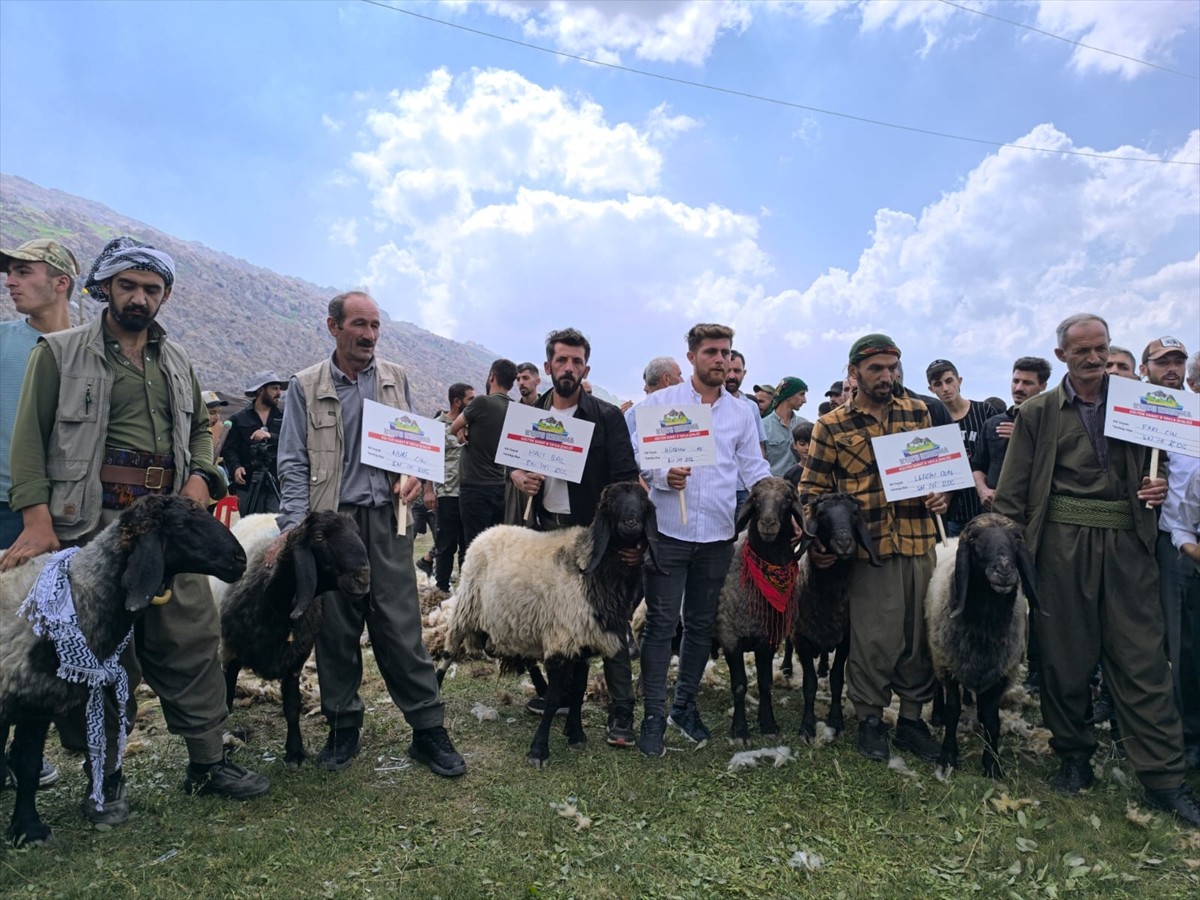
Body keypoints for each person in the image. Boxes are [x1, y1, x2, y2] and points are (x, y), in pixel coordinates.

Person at [3, 236, 269, 826]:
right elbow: (28, 442)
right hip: (91, 524)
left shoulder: (178, 363)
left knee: (192, 636)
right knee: (99, 654)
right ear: (105, 289)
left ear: (165, 295)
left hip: (171, 524)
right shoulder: (60, 352)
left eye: (152, 289)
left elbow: (202, 433)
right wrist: (37, 520)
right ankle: (106, 779)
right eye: (128, 286)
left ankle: (207, 761)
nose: (139, 298)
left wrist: (202, 480)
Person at [993, 313, 1198, 826]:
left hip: (1128, 545)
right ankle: (1074, 757)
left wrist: (1158, 485)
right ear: (1061, 355)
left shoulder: (1137, 404)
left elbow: (1164, 462)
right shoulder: (1038, 412)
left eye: (1101, 349)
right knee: (1066, 657)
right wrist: (1010, 555)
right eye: (1081, 350)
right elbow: (1014, 490)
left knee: (1143, 658)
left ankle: (1164, 779)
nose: (1093, 358)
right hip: (1061, 547)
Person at [276, 290, 465, 777]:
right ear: (333, 326)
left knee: (400, 625)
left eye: (375, 325)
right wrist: (295, 530)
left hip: (387, 520)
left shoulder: (394, 378)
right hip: (331, 525)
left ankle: (428, 730)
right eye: (358, 324)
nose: (368, 335)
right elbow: (293, 460)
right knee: (335, 628)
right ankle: (342, 728)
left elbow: (413, 445)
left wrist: (415, 475)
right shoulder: (305, 385)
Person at [800, 333, 948, 765]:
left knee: (918, 636)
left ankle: (911, 720)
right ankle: (869, 718)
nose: (886, 376)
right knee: (873, 638)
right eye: (876, 369)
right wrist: (819, 544)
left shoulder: (918, 411)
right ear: (854, 373)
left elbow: (937, 473)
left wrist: (941, 495)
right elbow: (811, 492)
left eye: (892, 368)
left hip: (919, 540)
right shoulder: (832, 425)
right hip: (868, 550)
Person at [629, 323, 771, 757]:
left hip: (717, 535)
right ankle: (653, 715)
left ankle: (684, 706)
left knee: (701, 625)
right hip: (670, 530)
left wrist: (779, 500)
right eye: (711, 351)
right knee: (659, 624)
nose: (721, 360)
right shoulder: (659, 404)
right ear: (691, 357)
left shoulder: (742, 413)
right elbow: (635, 452)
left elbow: (754, 469)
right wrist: (660, 475)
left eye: (726, 352)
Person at [507, 328, 643, 747]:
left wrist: (618, 535)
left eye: (576, 361)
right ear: (548, 366)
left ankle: (622, 709)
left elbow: (624, 479)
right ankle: (562, 696)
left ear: (586, 368)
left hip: (593, 537)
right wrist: (517, 475)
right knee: (555, 621)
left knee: (609, 623)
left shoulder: (606, 416)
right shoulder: (529, 415)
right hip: (545, 532)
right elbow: (508, 465)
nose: (568, 368)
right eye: (561, 361)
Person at [0, 238, 80, 791]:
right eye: (10, 274)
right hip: (5, 511)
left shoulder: (88, 351)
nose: (10, 282)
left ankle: (26, 753)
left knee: (42, 643)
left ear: (60, 283)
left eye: (23, 273)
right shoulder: (4, 344)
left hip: (68, 519)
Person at [1141, 336, 1199, 770]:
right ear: (1147, 368)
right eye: (1164, 362)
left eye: (1179, 361)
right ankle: (1186, 736)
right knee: (1180, 647)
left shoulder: (1193, 415)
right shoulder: (1139, 415)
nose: (1172, 369)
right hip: (1175, 547)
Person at [925, 359, 998, 536]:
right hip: (952, 511)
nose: (945, 388)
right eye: (938, 384)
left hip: (985, 504)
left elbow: (998, 456)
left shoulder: (985, 411)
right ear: (931, 389)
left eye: (949, 381)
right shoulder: (931, 421)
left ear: (959, 381)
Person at [451, 358, 517, 549]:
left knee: (473, 546)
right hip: (499, 486)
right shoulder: (516, 409)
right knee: (494, 546)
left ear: (492, 376)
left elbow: (453, 426)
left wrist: (462, 428)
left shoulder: (482, 403)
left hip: (475, 486)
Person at [419, 382, 475, 592]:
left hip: (470, 493)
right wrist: (428, 490)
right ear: (456, 401)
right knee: (445, 545)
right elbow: (427, 459)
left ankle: (465, 592)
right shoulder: (437, 425)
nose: (473, 403)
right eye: (470, 399)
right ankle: (441, 589)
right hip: (446, 493)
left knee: (468, 546)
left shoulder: (471, 424)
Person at [222, 372, 285, 515]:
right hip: (248, 483)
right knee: (250, 528)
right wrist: (235, 467)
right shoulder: (238, 419)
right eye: (274, 389)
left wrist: (271, 436)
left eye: (279, 389)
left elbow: (293, 442)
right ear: (260, 390)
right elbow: (229, 449)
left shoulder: (285, 417)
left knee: (276, 526)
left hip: (278, 482)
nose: (279, 393)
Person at [725, 350, 767, 509]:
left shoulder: (751, 407)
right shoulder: (706, 405)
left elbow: (759, 447)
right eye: (728, 370)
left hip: (744, 487)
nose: (731, 376)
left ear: (744, 373)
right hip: (720, 488)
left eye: (736, 371)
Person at [763, 377, 808, 476]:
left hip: (801, 485)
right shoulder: (763, 426)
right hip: (774, 487)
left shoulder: (804, 424)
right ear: (788, 395)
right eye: (801, 394)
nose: (805, 400)